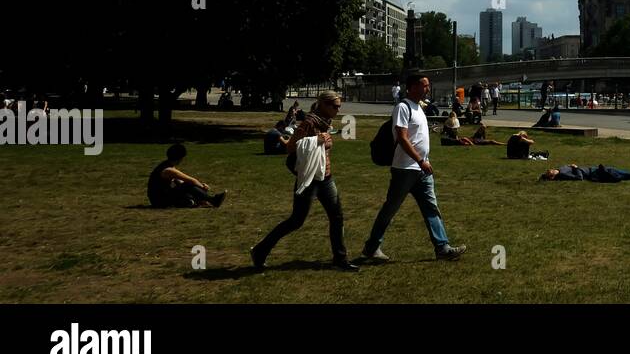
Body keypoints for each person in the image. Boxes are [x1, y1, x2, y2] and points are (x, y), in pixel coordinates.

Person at [361, 74, 467, 263]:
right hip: (405, 169)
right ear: (412, 87)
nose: (428, 88)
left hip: (421, 169)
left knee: (431, 208)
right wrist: (420, 160)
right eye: (425, 85)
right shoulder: (403, 107)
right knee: (390, 209)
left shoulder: (419, 107)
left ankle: (442, 247)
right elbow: (402, 137)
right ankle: (372, 247)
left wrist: (424, 160)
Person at [251, 91, 356, 271]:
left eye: (339, 106)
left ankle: (340, 258)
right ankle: (260, 250)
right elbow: (291, 147)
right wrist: (317, 140)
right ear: (323, 104)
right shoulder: (309, 123)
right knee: (296, 221)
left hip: (325, 177)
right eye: (335, 106)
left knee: (337, 217)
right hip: (309, 179)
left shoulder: (325, 122)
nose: (338, 110)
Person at [147, 143, 225, 208]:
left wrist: (199, 189)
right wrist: (202, 187)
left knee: (186, 189)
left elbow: (180, 182)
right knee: (188, 184)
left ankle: (195, 201)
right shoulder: (168, 170)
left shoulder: (166, 165)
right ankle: (213, 200)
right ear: (180, 158)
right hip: (159, 202)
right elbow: (191, 180)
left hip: (159, 199)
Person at [539, 164, 630, 182]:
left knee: (612, 170)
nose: (551, 169)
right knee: (611, 172)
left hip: (592, 170)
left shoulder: (561, 169)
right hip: (592, 174)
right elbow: (579, 177)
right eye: (551, 172)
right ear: (552, 176)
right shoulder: (562, 174)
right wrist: (576, 168)